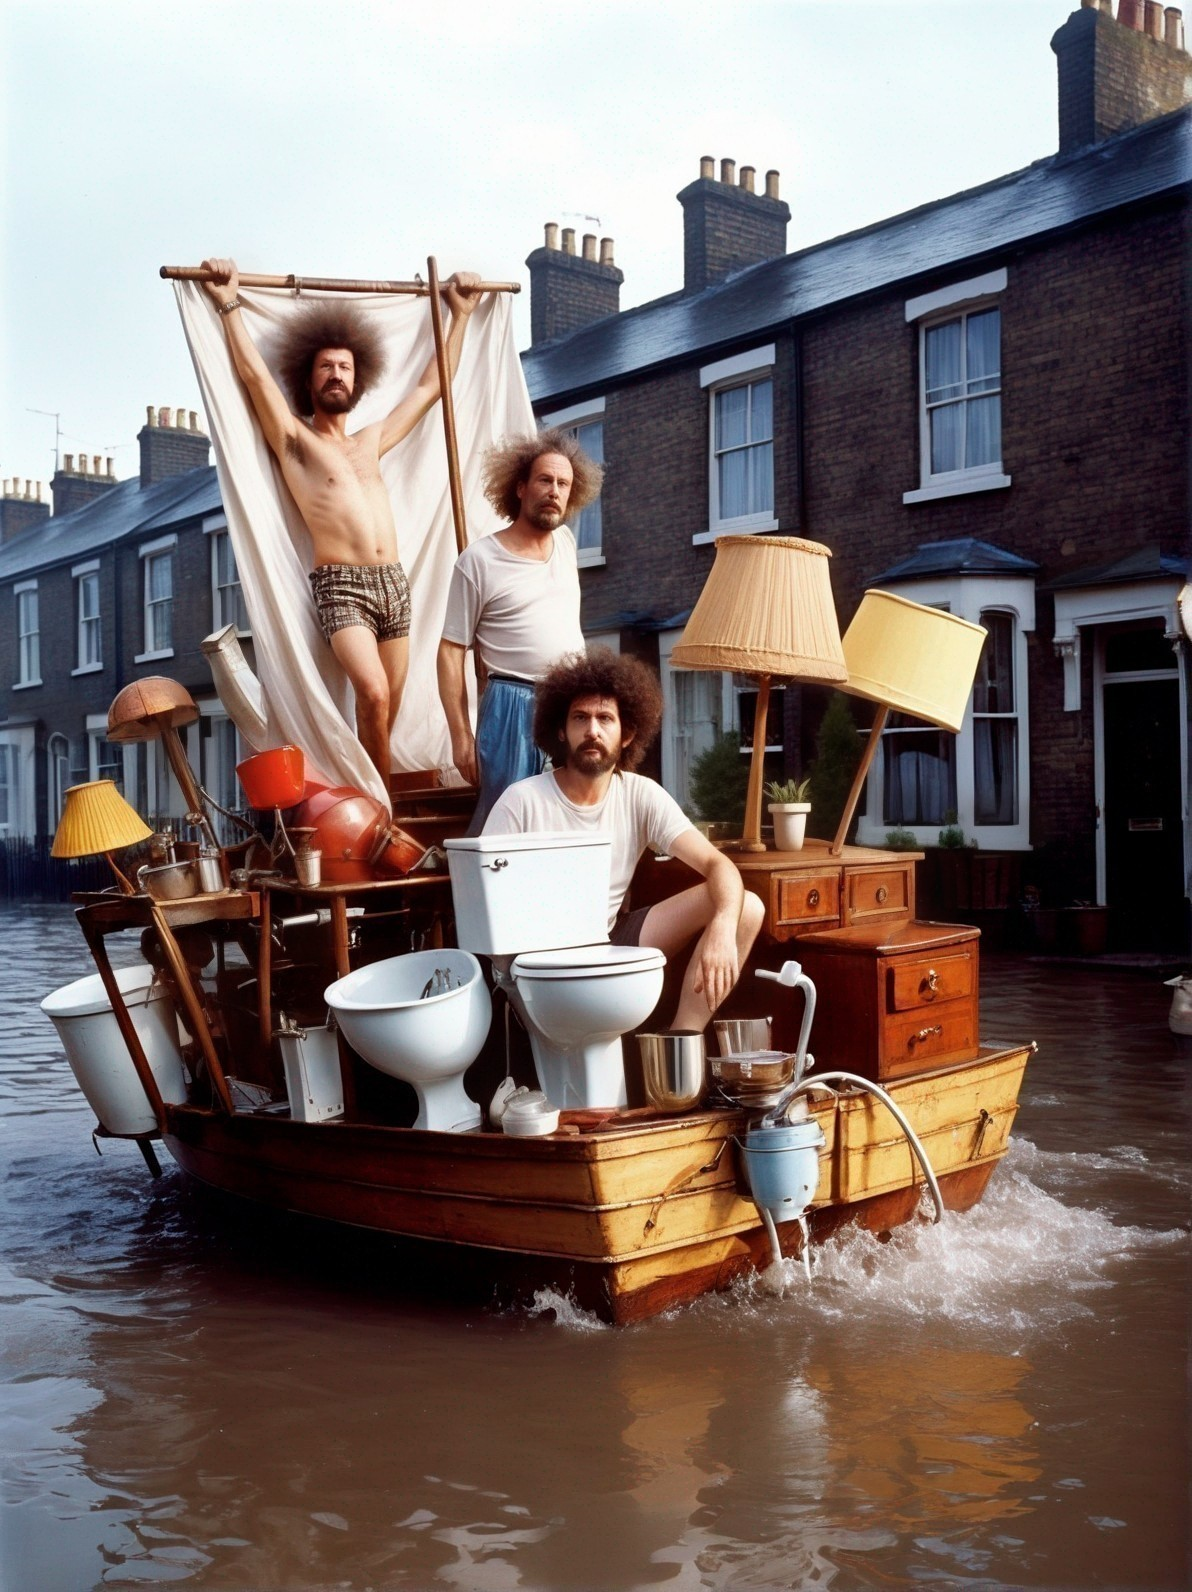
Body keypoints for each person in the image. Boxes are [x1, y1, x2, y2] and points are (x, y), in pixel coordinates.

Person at [200, 257, 481, 791]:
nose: (336, 374)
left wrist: (460, 314)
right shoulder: (295, 441)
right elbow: (255, 377)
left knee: (386, 710)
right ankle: (383, 808)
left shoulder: (370, 440)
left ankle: (369, 800)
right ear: (309, 378)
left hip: (394, 584)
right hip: (341, 587)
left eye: (345, 367)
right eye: (326, 367)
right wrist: (229, 302)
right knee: (372, 694)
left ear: (359, 378)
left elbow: (430, 388)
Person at [484, 649, 765, 1033]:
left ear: (627, 732)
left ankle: (680, 1044)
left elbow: (718, 865)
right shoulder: (522, 800)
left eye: (605, 719)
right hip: (538, 962)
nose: (593, 731)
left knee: (744, 907)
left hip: (609, 940)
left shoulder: (639, 793)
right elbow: (485, 906)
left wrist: (720, 926)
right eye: (580, 718)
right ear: (561, 730)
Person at [436, 428, 602, 833]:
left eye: (563, 483)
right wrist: (461, 737)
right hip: (512, 705)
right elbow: (449, 651)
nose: (554, 491)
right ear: (520, 487)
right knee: (505, 825)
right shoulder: (478, 561)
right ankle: (483, 896)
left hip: (570, 703)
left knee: (571, 819)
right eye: (545, 480)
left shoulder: (564, 543)